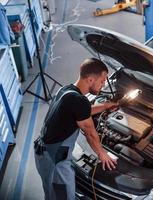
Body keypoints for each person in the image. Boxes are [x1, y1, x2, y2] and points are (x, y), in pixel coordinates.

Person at [34, 58, 117, 200]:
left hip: (43, 153)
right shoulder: (79, 101)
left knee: (52, 192)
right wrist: (102, 154)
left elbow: (82, 111)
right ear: (91, 80)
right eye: (102, 81)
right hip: (56, 160)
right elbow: (90, 134)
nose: (103, 85)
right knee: (62, 196)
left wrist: (105, 106)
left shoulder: (66, 90)